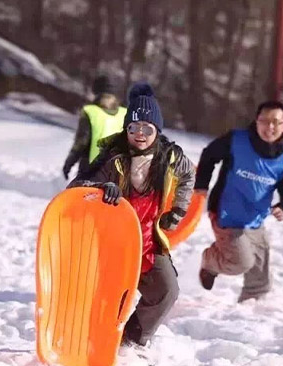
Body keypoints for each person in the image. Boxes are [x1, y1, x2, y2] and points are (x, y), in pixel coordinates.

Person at [72, 82, 195, 347]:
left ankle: (132, 340)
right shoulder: (112, 157)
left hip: (148, 242)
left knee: (166, 291)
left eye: (147, 128)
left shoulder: (171, 156)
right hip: (115, 244)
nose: (140, 133)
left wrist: (178, 210)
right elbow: (77, 187)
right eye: (133, 127)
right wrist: (102, 187)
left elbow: (188, 175)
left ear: (157, 130)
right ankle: (97, 341)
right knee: (112, 298)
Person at [195, 101, 283, 302]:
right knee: (241, 262)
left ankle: (253, 302)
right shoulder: (237, 140)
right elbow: (209, 155)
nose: (270, 127)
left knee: (261, 268)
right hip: (226, 214)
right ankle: (210, 261)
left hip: (255, 218)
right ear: (256, 121)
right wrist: (202, 185)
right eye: (265, 121)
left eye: (276, 122)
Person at [63, 75, 126, 180]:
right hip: (117, 170)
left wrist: (69, 163)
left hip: (91, 169)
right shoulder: (125, 114)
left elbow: (81, 142)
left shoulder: (90, 111)